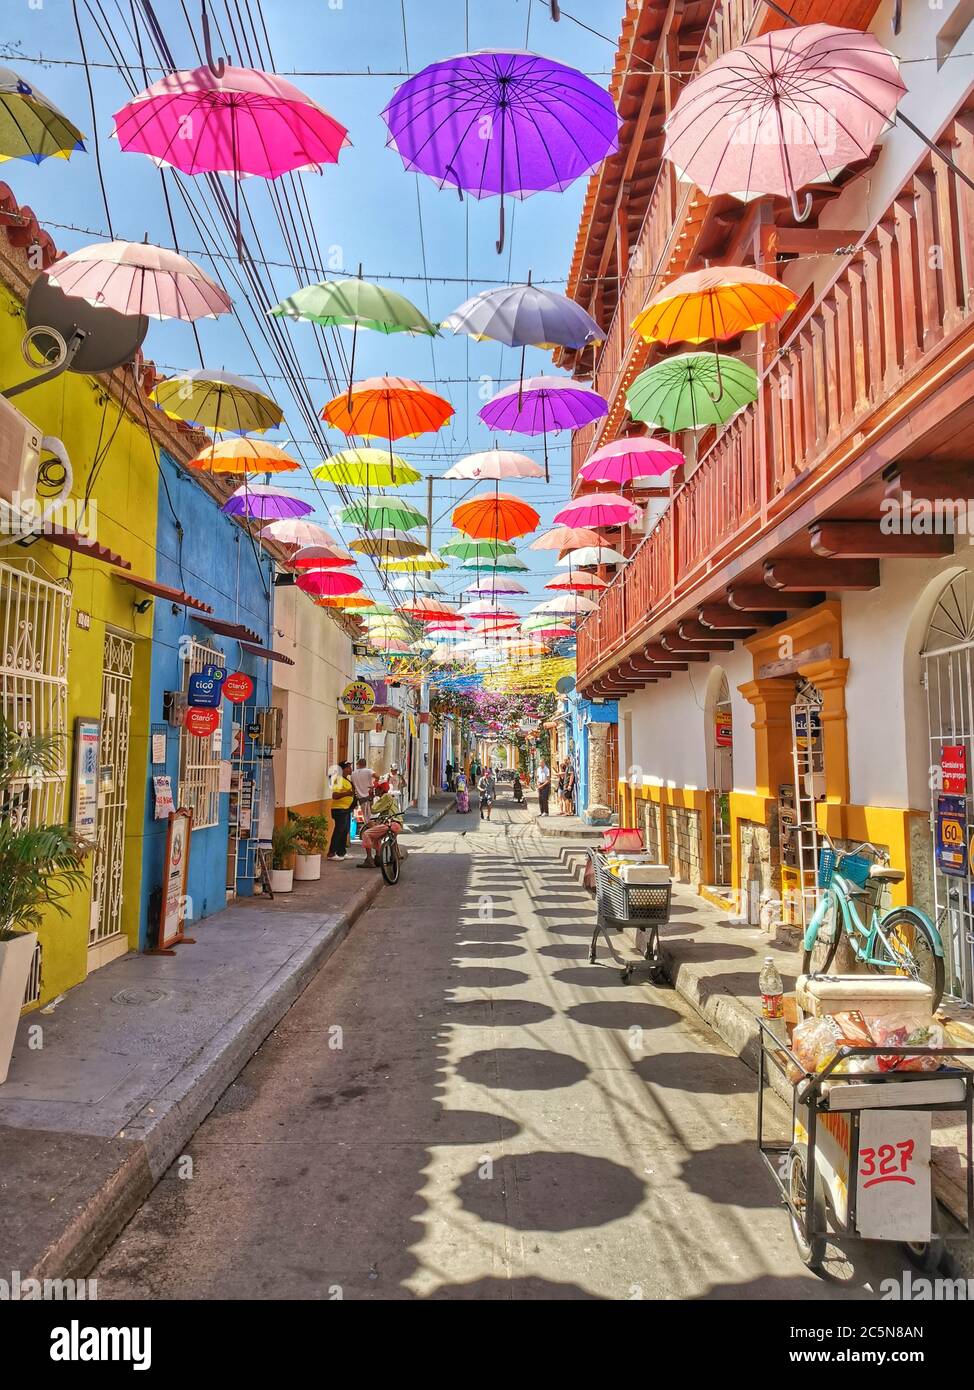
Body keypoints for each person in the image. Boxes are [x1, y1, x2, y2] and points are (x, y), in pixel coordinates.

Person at [358, 786, 403, 868]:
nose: (375, 791)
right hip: (397, 824)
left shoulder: (386, 796)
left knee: (366, 834)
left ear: (381, 789)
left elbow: (374, 810)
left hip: (391, 823)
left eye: (376, 789)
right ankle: (379, 858)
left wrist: (371, 798)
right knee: (377, 837)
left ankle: (369, 860)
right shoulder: (390, 798)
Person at [327, 761, 355, 860]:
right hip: (339, 809)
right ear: (343, 769)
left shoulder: (346, 780)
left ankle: (341, 852)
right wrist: (347, 794)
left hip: (346, 809)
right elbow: (335, 795)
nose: (351, 769)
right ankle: (331, 853)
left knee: (345, 830)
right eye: (349, 767)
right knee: (339, 831)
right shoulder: (339, 780)